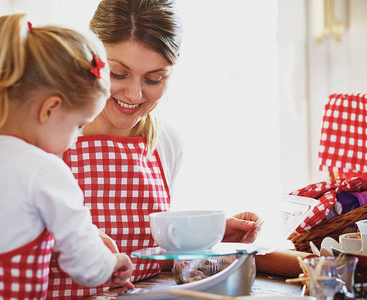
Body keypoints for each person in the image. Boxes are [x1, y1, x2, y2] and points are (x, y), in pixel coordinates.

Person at [47, 0, 261, 298]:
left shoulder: (165, 142)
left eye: (153, 79)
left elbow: (149, 251)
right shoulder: (48, 138)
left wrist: (199, 238)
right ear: (89, 58)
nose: (134, 95)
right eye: (118, 74)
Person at [0, 13, 134, 300]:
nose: (78, 136)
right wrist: (112, 264)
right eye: (79, 125)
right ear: (49, 109)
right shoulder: (45, 169)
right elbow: (86, 266)